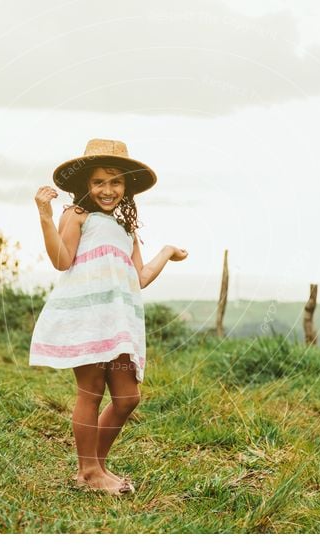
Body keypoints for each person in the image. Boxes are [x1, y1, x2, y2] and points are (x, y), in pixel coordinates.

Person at [29, 138, 188, 496]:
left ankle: (93, 469)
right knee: (91, 391)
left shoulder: (127, 231)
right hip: (88, 317)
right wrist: (45, 216)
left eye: (115, 182)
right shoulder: (78, 216)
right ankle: (90, 472)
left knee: (127, 399)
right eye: (99, 181)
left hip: (119, 324)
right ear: (86, 184)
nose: (107, 189)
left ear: (126, 186)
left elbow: (139, 277)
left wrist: (166, 252)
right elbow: (61, 260)